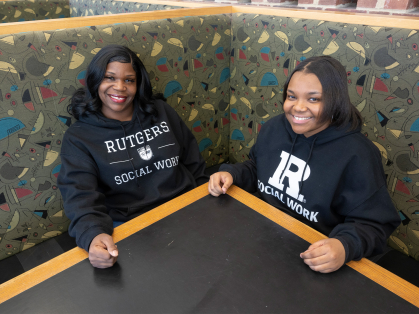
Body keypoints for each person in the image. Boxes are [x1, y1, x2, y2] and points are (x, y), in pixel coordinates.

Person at [208, 56, 401, 273]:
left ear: (335, 101)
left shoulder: (359, 155)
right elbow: (257, 168)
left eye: (313, 99)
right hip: (260, 236)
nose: (298, 107)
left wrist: (344, 246)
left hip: (312, 255)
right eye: (292, 96)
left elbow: (375, 225)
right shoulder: (275, 127)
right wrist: (233, 174)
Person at [58, 44, 208, 268]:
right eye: (110, 78)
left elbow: (193, 162)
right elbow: (80, 197)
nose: (120, 87)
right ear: (96, 80)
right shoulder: (79, 137)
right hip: (130, 225)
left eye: (129, 80)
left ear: (138, 84)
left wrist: (207, 199)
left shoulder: (161, 111)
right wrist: (93, 235)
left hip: (186, 209)